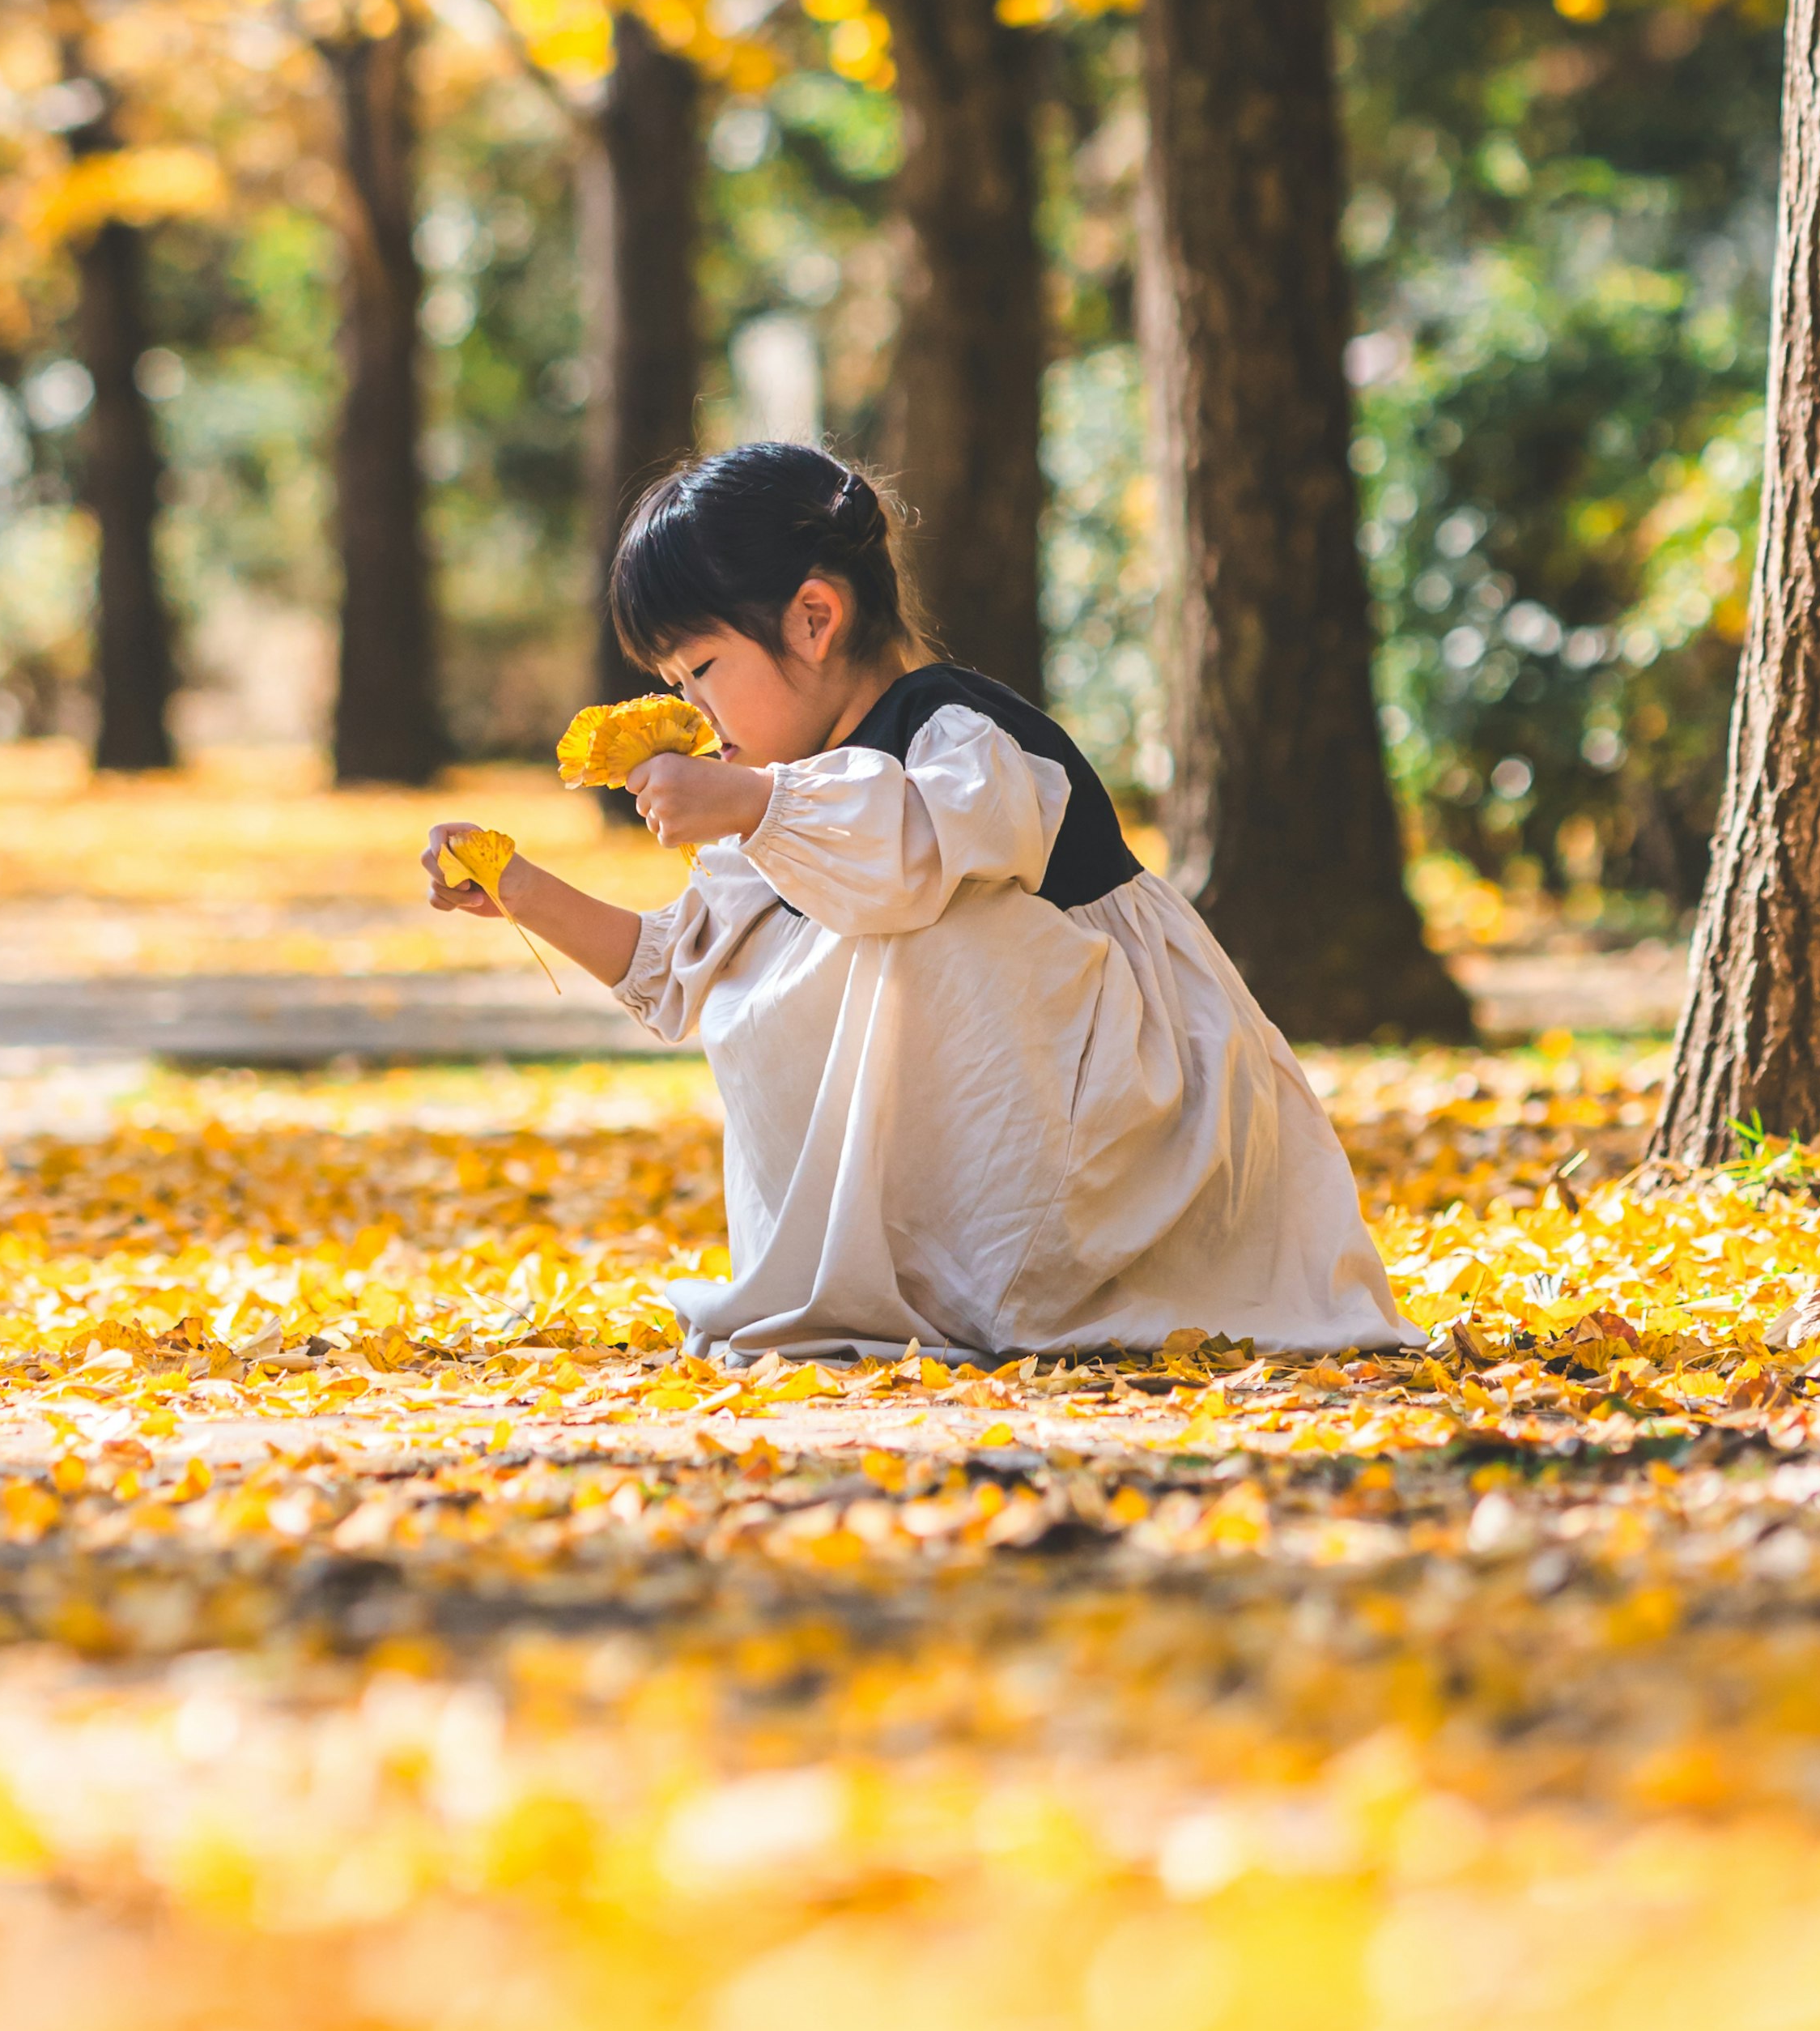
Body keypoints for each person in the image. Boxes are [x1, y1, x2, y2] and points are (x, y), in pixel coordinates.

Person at [424, 442, 1414, 1365]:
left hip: (1124, 1131)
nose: (696, 711)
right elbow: (681, 967)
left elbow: (906, 851)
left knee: (910, 914)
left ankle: (1003, 1284)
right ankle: (909, 1272)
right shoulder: (796, 797)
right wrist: (515, 885)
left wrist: (754, 803)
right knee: (778, 948)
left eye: (705, 669)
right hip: (1005, 1166)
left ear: (814, 618)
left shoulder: (953, 736)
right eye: (675, 681)